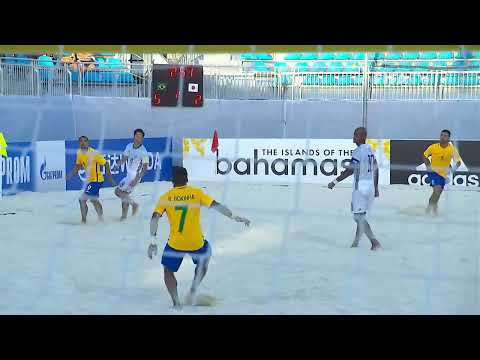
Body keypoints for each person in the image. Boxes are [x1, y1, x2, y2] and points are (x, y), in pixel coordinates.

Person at [148, 166, 251, 309]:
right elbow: (217, 206)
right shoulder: (196, 193)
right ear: (187, 179)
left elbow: (154, 218)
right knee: (205, 258)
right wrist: (234, 216)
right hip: (196, 242)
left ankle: (176, 303)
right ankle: (193, 289)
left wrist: (153, 241)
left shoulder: (165, 198)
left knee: (167, 271)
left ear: (172, 181)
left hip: (175, 244)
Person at [328, 127, 381, 251]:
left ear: (362, 137)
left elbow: (351, 170)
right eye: (354, 134)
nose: (353, 137)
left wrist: (335, 181)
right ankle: (356, 242)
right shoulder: (370, 149)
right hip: (370, 186)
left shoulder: (357, 151)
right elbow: (376, 168)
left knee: (358, 217)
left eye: (356, 135)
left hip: (360, 186)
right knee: (361, 215)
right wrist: (376, 187)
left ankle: (374, 241)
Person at [66, 136, 115, 223]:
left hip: (97, 180)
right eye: (81, 141)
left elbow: (106, 164)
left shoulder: (94, 153)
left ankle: (84, 221)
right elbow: (78, 166)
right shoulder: (79, 153)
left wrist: (110, 179)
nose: (83, 142)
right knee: (93, 200)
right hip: (90, 182)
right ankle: (101, 218)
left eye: (85, 141)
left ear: (88, 143)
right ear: (79, 143)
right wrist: (70, 175)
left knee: (82, 199)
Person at [422, 129, 462, 216]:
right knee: (437, 190)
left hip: (443, 175)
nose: (442, 137)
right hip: (433, 172)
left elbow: (458, 162)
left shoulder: (451, 149)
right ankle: (428, 211)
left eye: (445, 136)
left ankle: (433, 209)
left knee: (438, 193)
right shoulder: (433, 147)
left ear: (448, 138)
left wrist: (452, 169)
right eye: (441, 135)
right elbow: (425, 156)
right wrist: (428, 166)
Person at [114, 129, 149, 220]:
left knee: (117, 191)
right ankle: (124, 216)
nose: (138, 138)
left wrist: (136, 180)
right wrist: (118, 165)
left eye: (140, 136)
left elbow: (145, 167)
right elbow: (124, 158)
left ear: (142, 139)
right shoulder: (129, 146)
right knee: (124, 194)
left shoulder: (143, 151)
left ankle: (134, 204)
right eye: (137, 136)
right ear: (134, 136)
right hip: (129, 175)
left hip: (135, 177)